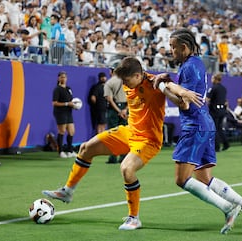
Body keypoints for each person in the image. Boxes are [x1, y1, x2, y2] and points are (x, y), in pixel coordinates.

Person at [42, 57, 200, 230]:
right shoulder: (128, 83)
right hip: (129, 131)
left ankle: (134, 218)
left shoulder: (155, 83)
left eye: (126, 79)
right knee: (85, 148)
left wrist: (182, 94)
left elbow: (174, 95)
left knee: (126, 168)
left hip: (148, 140)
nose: (124, 83)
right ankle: (68, 191)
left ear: (138, 75)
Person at [153, 28, 242, 235]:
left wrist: (162, 87)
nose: (171, 51)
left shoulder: (188, 68)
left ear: (184, 48)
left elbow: (184, 104)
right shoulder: (195, 64)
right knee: (204, 178)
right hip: (205, 123)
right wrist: (170, 83)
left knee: (181, 179)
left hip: (194, 125)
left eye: (173, 47)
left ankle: (229, 208)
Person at [104, 67, 128, 164]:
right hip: (125, 108)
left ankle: (113, 157)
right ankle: (124, 156)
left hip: (113, 109)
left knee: (113, 134)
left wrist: (118, 110)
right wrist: (124, 110)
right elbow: (132, 97)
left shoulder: (109, 82)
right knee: (124, 133)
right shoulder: (126, 81)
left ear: (112, 72)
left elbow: (109, 99)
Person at [52, 71, 77, 158]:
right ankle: (60, 151)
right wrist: (66, 104)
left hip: (68, 112)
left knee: (71, 131)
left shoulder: (68, 89)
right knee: (62, 131)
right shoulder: (57, 89)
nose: (63, 79)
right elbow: (54, 103)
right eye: (62, 77)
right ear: (58, 78)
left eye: (65, 77)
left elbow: (71, 100)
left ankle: (70, 150)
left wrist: (74, 105)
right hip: (60, 112)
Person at [207, 73, 229, 152]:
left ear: (215, 79)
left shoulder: (213, 88)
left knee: (214, 128)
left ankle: (217, 147)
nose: (211, 80)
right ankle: (226, 144)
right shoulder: (223, 88)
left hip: (214, 110)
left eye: (212, 78)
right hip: (222, 110)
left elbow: (207, 99)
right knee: (219, 128)